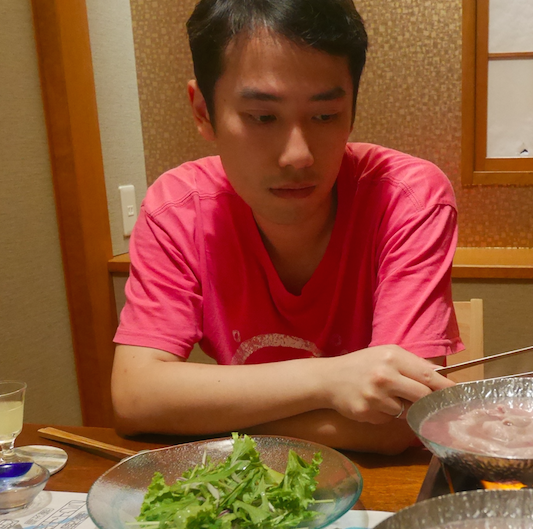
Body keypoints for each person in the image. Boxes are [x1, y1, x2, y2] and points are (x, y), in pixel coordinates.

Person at [111, 0, 462, 454]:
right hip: (243, 484)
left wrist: (203, 414)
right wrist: (329, 379)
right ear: (202, 111)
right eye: (263, 117)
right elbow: (135, 396)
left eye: (325, 116)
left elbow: (400, 423)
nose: (298, 155)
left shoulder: (407, 198)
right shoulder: (177, 209)